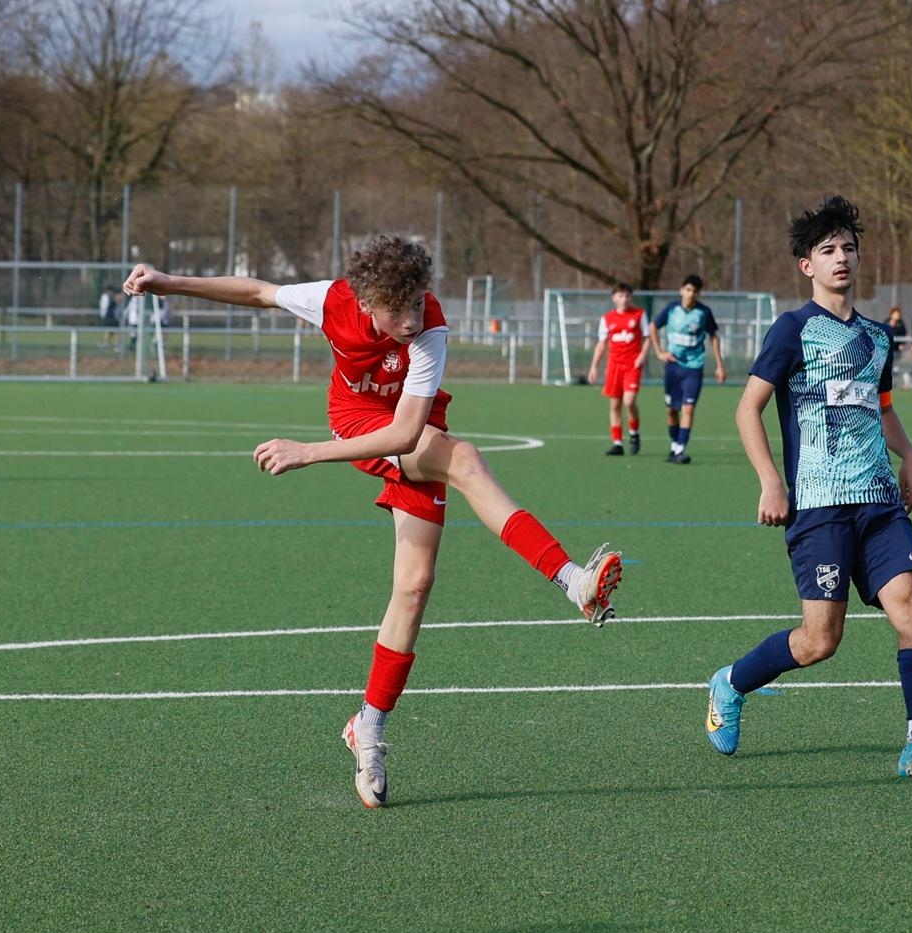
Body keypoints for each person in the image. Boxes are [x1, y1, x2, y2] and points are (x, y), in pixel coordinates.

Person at [122, 234, 624, 808]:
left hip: (409, 430)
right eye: (396, 309)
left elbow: (407, 433)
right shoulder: (333, 300)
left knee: (413, 587)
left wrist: (307, 453)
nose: (411, 320)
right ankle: (571, 580)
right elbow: (259, 291)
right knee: (464, 460)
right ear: (365, 302)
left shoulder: (429, 326)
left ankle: (368, 726)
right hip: (358, 422)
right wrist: (168, 283)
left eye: (416, 303)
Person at [704, 195, 912, 783]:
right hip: (818, 507)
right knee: (820, 641)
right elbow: (747, 409)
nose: (840, 257)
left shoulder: (878, 337)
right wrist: (771, 481)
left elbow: (881, 405)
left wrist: (910, 454)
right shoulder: (792, 330)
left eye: (848, 247)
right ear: (807, 266)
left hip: (880, 504)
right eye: (827, 250)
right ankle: (731, 682)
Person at [650, 274, 725, 464]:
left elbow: (714, 337)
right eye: (688, 289)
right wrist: (659, 352)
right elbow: (653, 327)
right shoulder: (671, 309)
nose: (691, 294)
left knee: (688, 408)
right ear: (681, 290)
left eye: (695, 291)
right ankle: (674, 445)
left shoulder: (703, 312)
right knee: (671, 410)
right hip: (673, 367)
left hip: (694, 367)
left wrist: (719, 365)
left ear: (699, 294)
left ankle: (680, 449)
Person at [586, 283, 650, 456]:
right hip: (614, 366)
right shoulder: (607, 318)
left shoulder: (639, 314)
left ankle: (634, 433)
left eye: (627, 296)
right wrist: (594, 367)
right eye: (620, 296)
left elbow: (647, 337)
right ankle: (617, 443)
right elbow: (602, 344)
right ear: (614, 298)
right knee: (615, 405)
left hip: (632, 366)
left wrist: (642, 355)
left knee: (629, 401)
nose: (624, 299)